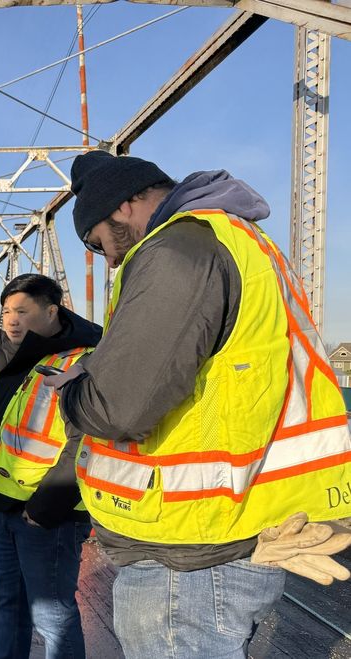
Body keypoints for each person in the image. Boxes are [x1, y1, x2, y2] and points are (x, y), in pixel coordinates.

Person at [47, 150, 351, 658]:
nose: (109, 259)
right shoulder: (241, 242)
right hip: (232, 530)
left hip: (186, 551)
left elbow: (116, 408)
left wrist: (74, 388)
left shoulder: (179, 250)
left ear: (121, 206)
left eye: (95, 241)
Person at [0, 274, 101, 659]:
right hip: (6, 504)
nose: (11, 320)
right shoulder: (21, 357)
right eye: (7, 311)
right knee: (7, 604)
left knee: (52, 617)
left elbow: (88, 441)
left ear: (51, 311)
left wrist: (43, 510)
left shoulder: (81, 361)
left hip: (48, 514)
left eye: (22, 311)